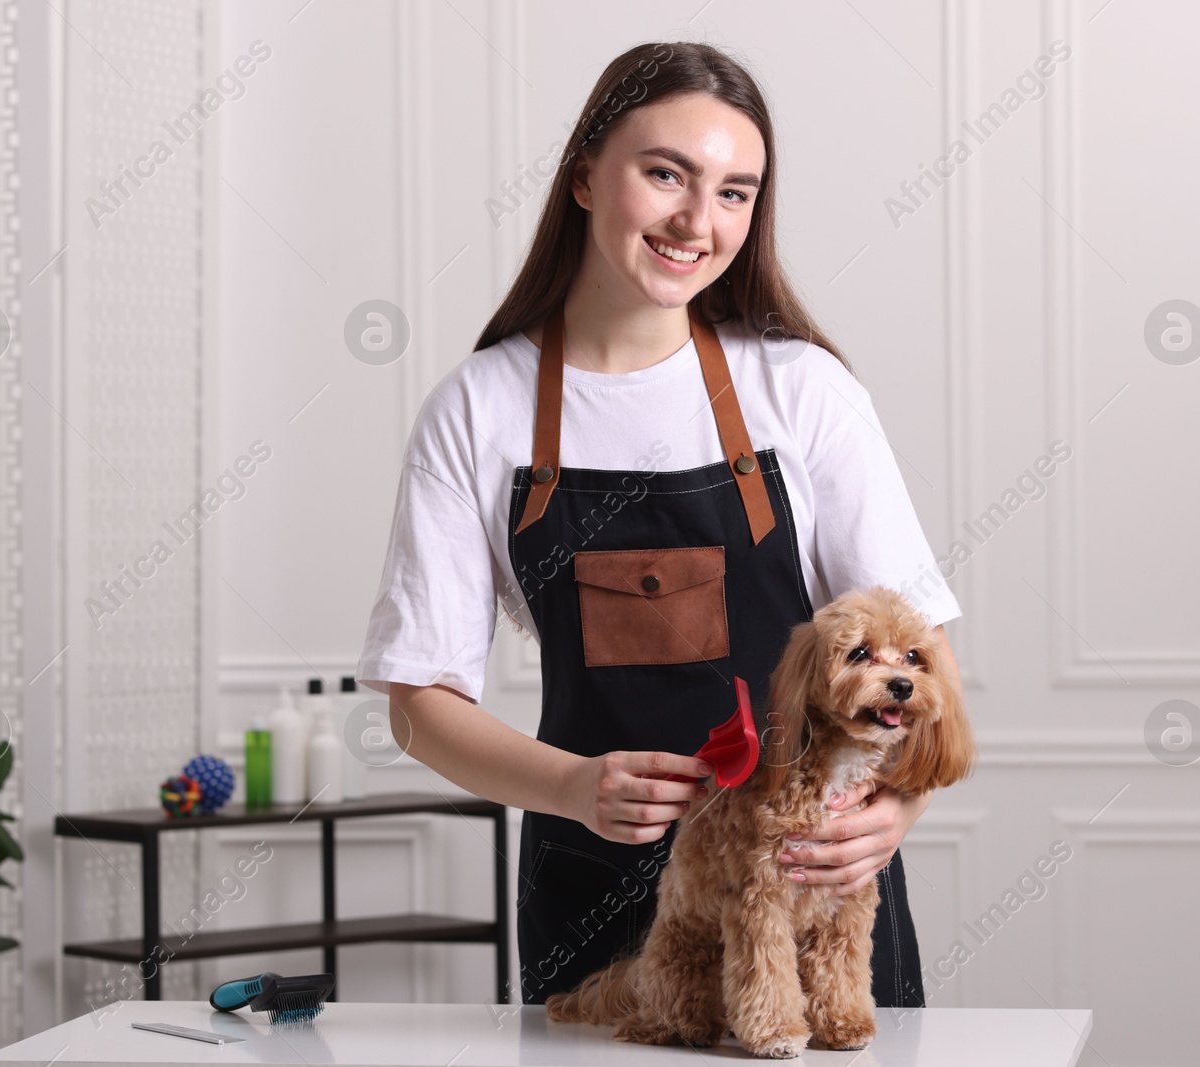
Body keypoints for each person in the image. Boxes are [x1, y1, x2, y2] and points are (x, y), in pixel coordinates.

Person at [355, 40, 964, 1008]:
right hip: (596, 893)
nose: (697, 219)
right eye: (666, 174)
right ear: (586, 178)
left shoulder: (800, 390)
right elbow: (418, 700)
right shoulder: (479, 408)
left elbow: (914, 654)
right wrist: (571, 788)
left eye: (734, 191)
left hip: (806, 881)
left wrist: (895, 809)